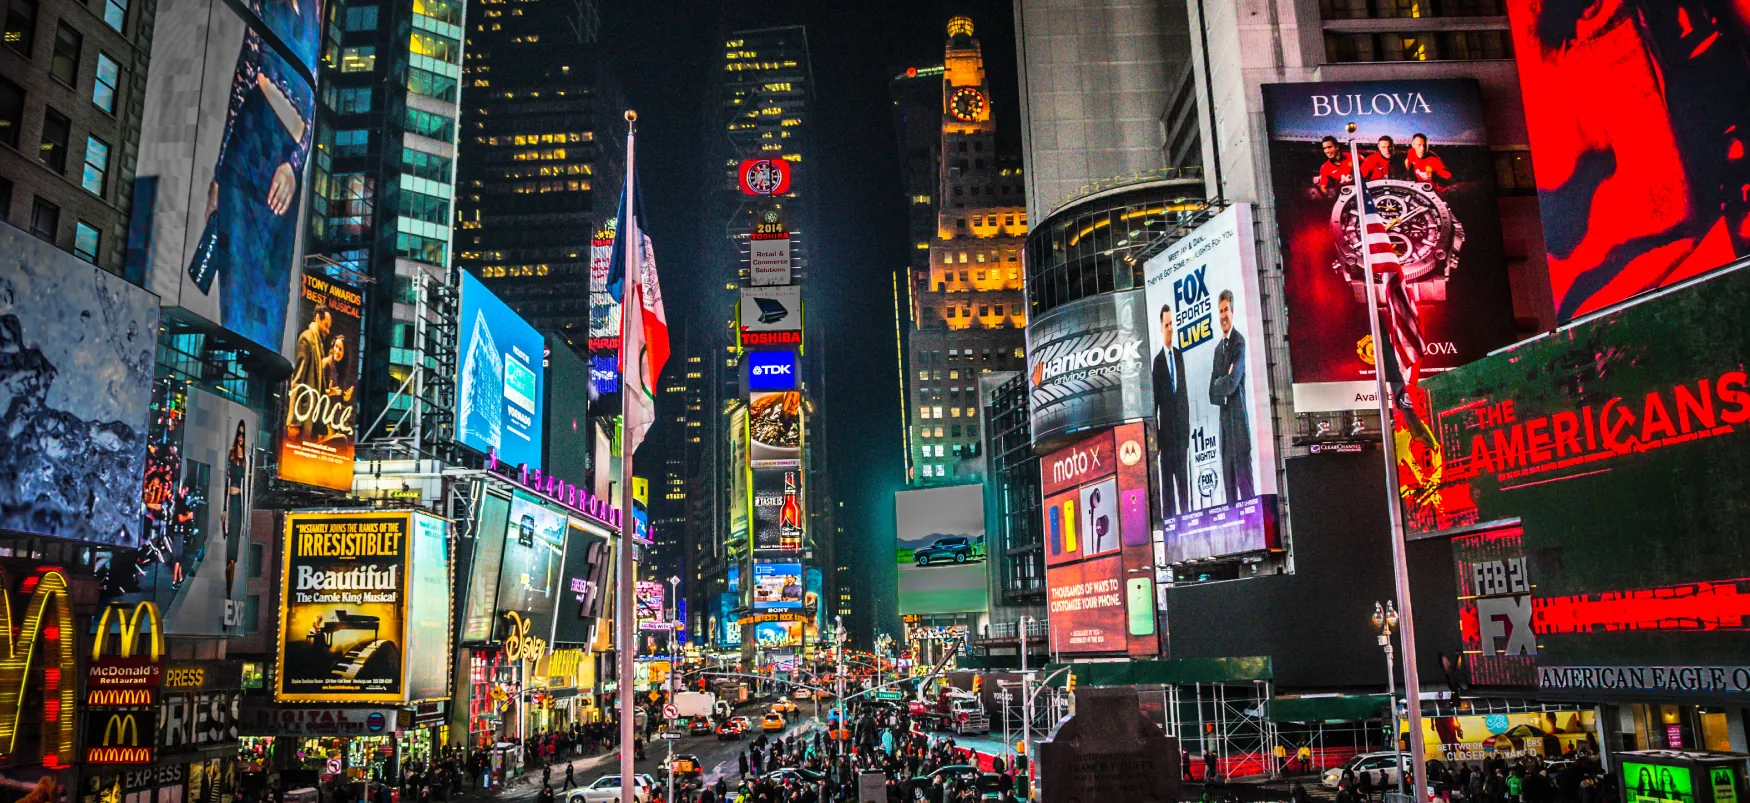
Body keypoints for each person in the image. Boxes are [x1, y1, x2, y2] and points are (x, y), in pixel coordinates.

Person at [1207, 289, 1253, 502]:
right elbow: (1212, 393)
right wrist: (1222, 384)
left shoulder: (1239, 342)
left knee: (1246, 494)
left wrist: (1222, 384)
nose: (1223, 316)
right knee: (1230, 501)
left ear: (1232, 312)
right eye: (1220, 311)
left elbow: (1233, 382)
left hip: (1239, 432)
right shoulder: (1218, 349)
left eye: (1226, 310)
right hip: (1225, 435)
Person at [1153, 302, 1192, 517]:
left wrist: (1186, 429)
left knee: (1184, 484)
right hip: (1166, 440)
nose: (1170, 329)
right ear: (1161, 327)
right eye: (1166, 325)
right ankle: (1172, 528)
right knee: (1168, 489)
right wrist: (1158, 440)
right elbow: (1156, 404)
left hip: (1181, 436)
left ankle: (1187, 522)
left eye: (1172, 324)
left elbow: (1183, 395)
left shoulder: (1179, 356)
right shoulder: (1158, 363)